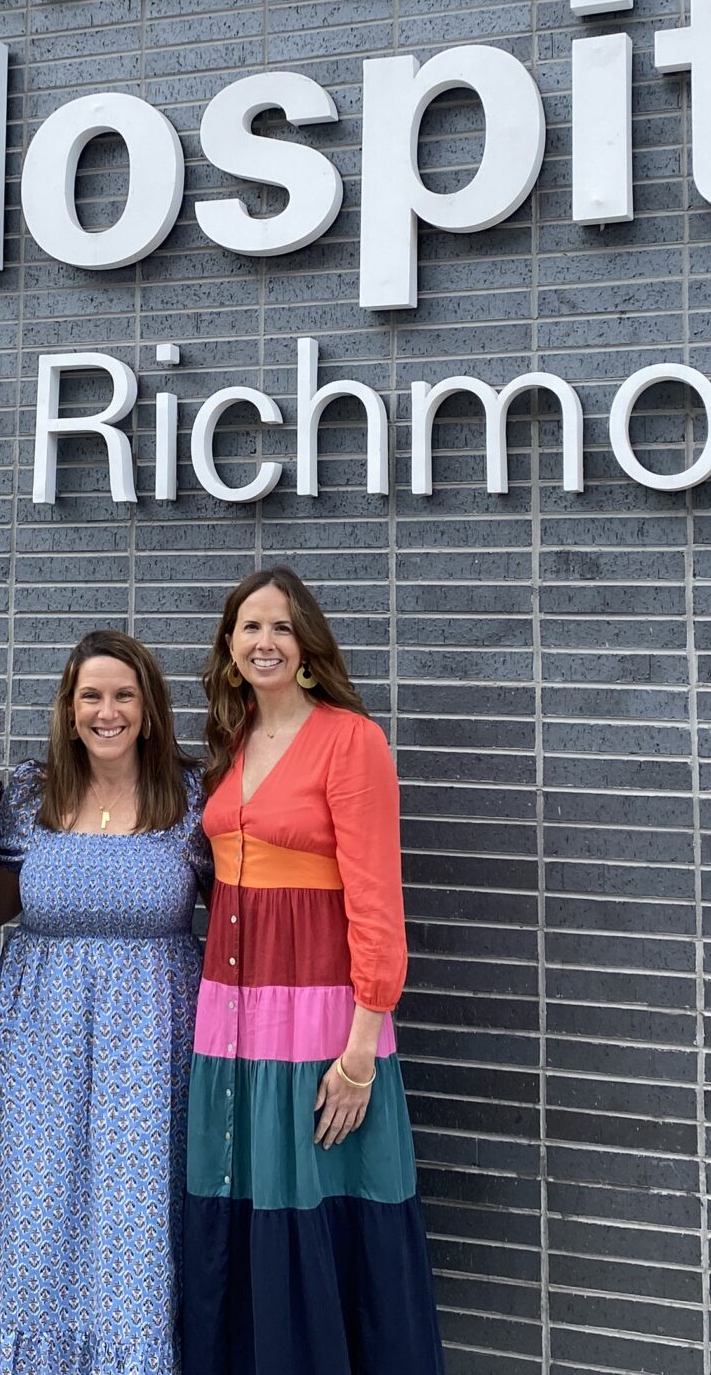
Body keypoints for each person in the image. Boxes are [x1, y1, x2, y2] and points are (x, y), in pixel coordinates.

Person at [181, 568, 448, 1375]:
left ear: (307, 647)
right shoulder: (227, 746)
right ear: (229, 648)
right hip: (228, 1016)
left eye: (282, 628)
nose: (265, 641)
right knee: (238, 1198)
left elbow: (376, 902)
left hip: (320, 1021)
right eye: (250, 627)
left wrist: (362, 1051)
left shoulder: (349, 739)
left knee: (316, 1205)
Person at [0, 629, 208, 1375]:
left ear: (150, 708)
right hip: (36, 1039)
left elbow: (237, 913)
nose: (106, 710)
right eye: (90, 695)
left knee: (134, 1218)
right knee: (27, 1209)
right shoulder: (28, 791)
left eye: (124, 695)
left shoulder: (192, 796)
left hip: (152, 1044)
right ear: (67, 707)